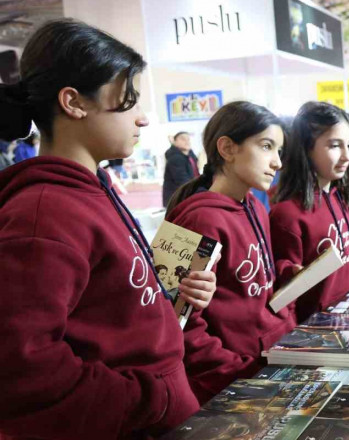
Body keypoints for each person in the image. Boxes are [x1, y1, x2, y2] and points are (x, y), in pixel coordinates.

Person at [0, 19, 216, 439]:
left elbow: (107, 308)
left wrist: (173, 295)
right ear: (74, 102)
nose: (143, 119)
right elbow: (21, 367)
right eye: (129, 101)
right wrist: (149, 400)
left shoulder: (92, 190)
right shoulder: (44, 213)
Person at [164, 101, 292, 404]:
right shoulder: (197, 219)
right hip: (228, 384)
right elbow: (175, 323)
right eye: (266, 146)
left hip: (264, 363)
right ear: (227, 148)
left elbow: (250, 283)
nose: (277, 162)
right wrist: (237, 373)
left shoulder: (256, 207)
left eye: (279, 151)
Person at [271, 102, 349, 323]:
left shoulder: (338, 196)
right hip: (316, 329)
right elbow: (286, 294)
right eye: (334, 145)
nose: (347, 156)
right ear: (307, 148)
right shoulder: (288, 214)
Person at [162, 131, 198, 207]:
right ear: (174, 142)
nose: (187, 141)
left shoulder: (190, 156)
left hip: (188, 196)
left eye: (188, 139)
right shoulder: (175, 158)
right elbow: (183, 181)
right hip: (178, 201)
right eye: (183, 139)